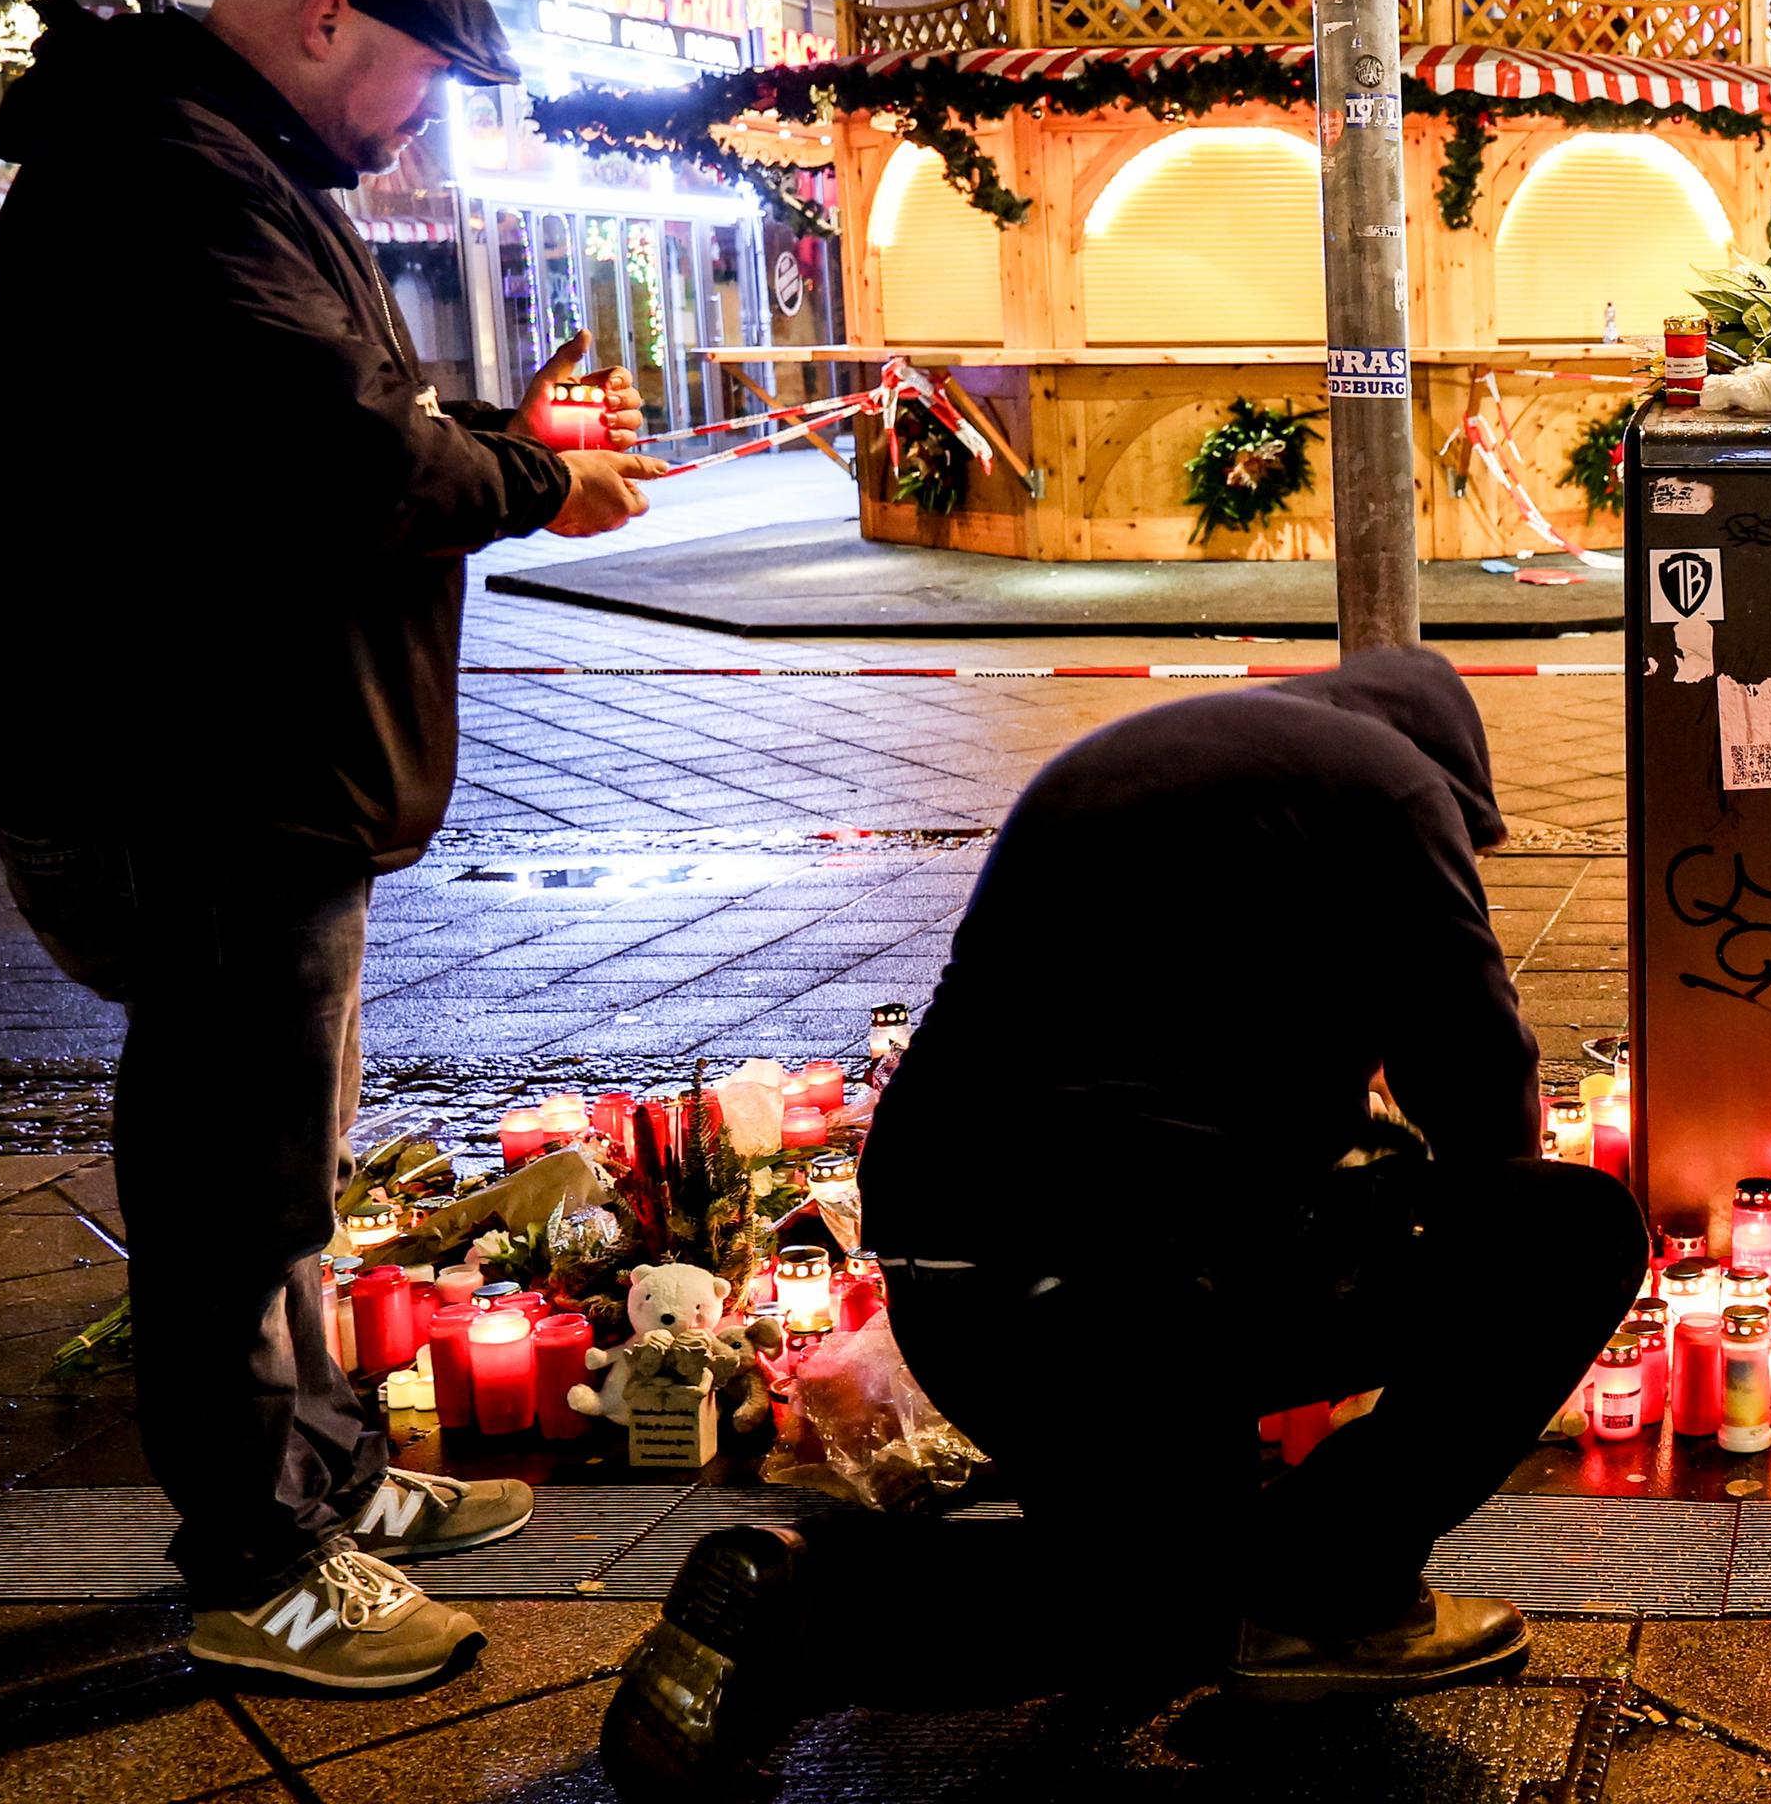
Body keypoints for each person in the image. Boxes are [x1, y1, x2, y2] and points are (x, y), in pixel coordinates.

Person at [0, 0, 667, 1691]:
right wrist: (531, 482)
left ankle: (330, 1479)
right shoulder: (168, 176)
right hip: (197, 773)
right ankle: (260, 1564)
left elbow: (330, 419)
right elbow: (329, 447)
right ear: (321, 16)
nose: (420, 120)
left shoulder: (224, 164)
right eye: (422, 81)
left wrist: (503, 441)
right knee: (230, 1184)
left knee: (276, 1171)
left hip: (245, 762)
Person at [601, 648, 1647, 1796]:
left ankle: (792, 1605)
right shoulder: (1395, 783)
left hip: (961, 1284)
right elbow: (1479, 1072)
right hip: (1144, 1276)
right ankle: (1336, 1595)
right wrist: (1455, 1292)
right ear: (1455, 775)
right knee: (1573, 1230)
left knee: (1157, 1601)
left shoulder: (1126, 762)